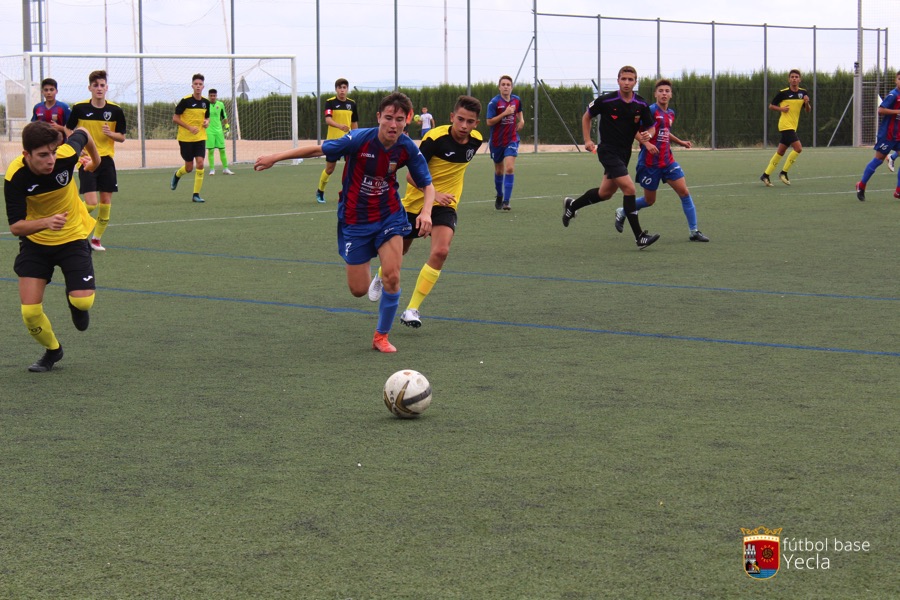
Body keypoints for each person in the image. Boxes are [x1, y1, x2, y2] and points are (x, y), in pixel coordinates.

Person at [254, 92, 435, 353]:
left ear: (406, 121)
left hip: (389, 215)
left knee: (393, 277)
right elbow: (318, 149)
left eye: (398, 119)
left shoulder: (407, 148)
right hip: (355, 220)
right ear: (378, 117)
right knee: (358, 290)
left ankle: (381, 337)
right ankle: (375, 270)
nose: (393, 125)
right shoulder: (359, 139)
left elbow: (427, 185)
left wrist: (426, 212)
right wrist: (275, 157)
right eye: (388, 118)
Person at [368, 95, 483, 329]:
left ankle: (412, 309)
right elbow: (410, 175)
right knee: (401, 252)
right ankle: (381, 275)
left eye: (470, 122)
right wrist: (434, 193)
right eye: (460, 119)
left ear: (476, 124)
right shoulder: (434, 139)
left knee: (441, 251)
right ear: (452, 117)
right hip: (416, 203)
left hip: (446, 205)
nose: (464, 126)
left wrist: (442, 198)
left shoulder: (476, 142)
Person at [4, 121, 101, 372]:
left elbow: (84, 133)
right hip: (36, 244)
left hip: (72, 238)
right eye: (43, 155)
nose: (50, 160)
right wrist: (46, 222)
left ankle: (74, 303)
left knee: (83, 303)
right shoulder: (15, 177)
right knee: (30, 313)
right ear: (27, 155)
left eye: (53, 152)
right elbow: (16, 227)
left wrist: (96, 162)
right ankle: (53, 351)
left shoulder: (66, 157)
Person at [562, 65, 660, 249]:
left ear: (635, 82)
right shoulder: (607, 100)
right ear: (618, 80)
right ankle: (640, 236)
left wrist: (648, 136)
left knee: (605, 193)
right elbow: (586, 116)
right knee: (630, 189)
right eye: (623, 79)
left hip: (625, 153)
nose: (627, 82)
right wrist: (587, 140)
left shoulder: (641, 104)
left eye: (630, 80)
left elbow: (650, 127)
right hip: (607, 151)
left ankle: (572, 206)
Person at [613, 79, 709, 242]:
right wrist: (647, 143)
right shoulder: (649, 111)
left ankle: (694, 231)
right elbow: (633, 129)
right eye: (661, 91)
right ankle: (623, 211)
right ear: (655, 94)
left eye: (667, 91)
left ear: (671, 95)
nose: (664, 93)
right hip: (650, 164)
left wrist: (681, 142)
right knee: (650, 201)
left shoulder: (670, 113)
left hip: (668, 161)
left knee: (684, 192)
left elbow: (665, 131)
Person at [65, 70, 127, 251]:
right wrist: (78, 147)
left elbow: (122, 137)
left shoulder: (115, 110)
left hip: (106, 160)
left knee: (106, 203)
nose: (99, 88)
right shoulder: (79, 108)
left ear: (106, 88)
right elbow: (67, 130)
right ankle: (73, 225)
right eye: (95, 85)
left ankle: (96, 239)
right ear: (89, 88)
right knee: (91, 203)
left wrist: (111, 134)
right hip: (86, 160)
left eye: (102, 85)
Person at [759, 69, 812, 187]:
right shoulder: (783, 93)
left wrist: (807, 103)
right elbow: (771, 106)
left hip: (793, 126)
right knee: (798, 148)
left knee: (780, 152)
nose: (794, 78)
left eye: (796, 77)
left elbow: (808, 110)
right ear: (789, 79)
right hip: (785, 125)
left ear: (800, 79)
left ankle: (765, 175)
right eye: (792, 77)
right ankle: (783, 173)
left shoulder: (803, 93)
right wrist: (781, 109)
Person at [856, 70, 900, 201]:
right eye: (899, 79)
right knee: (878, 160)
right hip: (887, 134)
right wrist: (897, 111)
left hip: (899, 134)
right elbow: (881, 110)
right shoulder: (893, 94)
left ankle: (898, 191)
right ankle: (861, 185)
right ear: (896, 81)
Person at [316, 78, 359, 204]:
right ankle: (320, 191)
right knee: (329, 169)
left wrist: (357, 136)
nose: (342, 90)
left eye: (344, 88)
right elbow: (328, 120)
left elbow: (354, 123)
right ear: (336, 89)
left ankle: (349, 193)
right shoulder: (330, 103)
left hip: (349, 141)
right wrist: (340, 126)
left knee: (352, 168)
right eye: (340, 88)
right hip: (333, 141)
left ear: (347, 89)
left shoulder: (352, 104)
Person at [486, 75, 524, 210]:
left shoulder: (516, 100)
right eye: (503, 84)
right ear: (499, 87)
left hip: (512, 139)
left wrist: (522, 120)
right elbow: (489, 121)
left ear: (511, 87)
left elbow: (519, 111)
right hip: (497, 142)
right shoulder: (494, 103)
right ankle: (500, 195)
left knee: (509, 168)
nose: (506, 86)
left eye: (508, 84)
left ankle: (507, 202)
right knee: (498, 171)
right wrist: (505, 113)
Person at [171, 73, 210, 203]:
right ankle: (177, 175)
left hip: (200, 137)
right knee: (189, 168)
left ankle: (196, 194)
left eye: (200, 84)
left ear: (203, 86)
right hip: (185, 139)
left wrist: (206, 122)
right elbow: (175, 118)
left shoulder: (205, 102)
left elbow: (207, 117)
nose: (198, 86)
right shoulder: (185, 101)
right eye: (196, 84)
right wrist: (189, 127)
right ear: (192, 86)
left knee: (200, 163)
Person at [206, 88, 233, 176]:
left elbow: (224, 116)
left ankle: (225, 169)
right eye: (211, 96)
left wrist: (227, 127)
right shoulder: (205, 105)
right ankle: (212, 170)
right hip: (209, 131)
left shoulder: (220, 104)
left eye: (214, 96)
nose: (213, 97)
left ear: (216, 96)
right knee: (211, 151)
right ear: (208, 96)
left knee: (222, 150)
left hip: (219, 131)